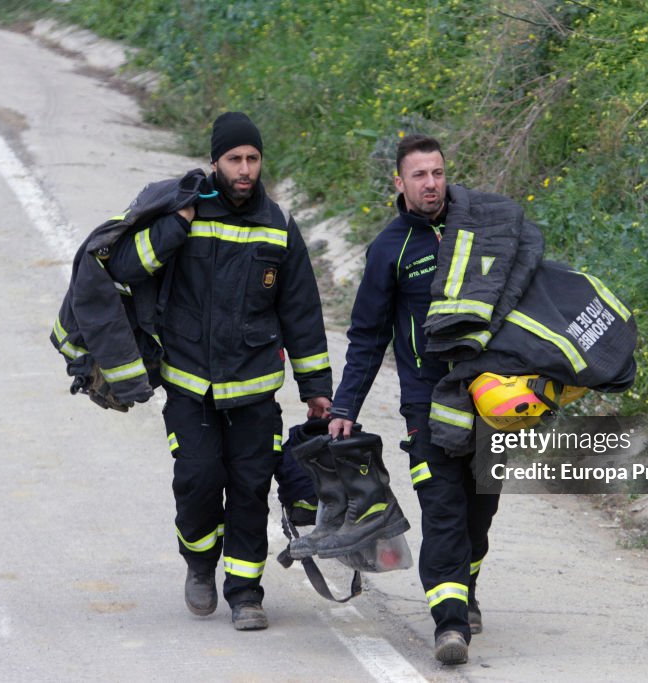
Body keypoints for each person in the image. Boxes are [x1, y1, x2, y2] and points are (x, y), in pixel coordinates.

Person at [105, 112, 332, 631]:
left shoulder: (278, 226)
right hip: (189, 385)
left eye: (252, 158)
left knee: (250, 489)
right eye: (235, 159)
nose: (245, 169)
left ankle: (246, 593)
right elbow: (125, 267)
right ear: (214, 163)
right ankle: (199, 564)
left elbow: (302, 312)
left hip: (254, 389)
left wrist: (317, 389)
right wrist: (174, 228)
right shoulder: (181, 211)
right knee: (199, 481)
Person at [328, 135, 505, 665]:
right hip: (426, 405)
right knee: (444, 510)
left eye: (438, 173)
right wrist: (344, 408)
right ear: (399, 183)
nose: (431, 184)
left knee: (480, 511)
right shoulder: (390, 249)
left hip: (491, 399)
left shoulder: (479, 227)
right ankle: (449, 626)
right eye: (420, 175)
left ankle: (464, 588)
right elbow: (366, 336)